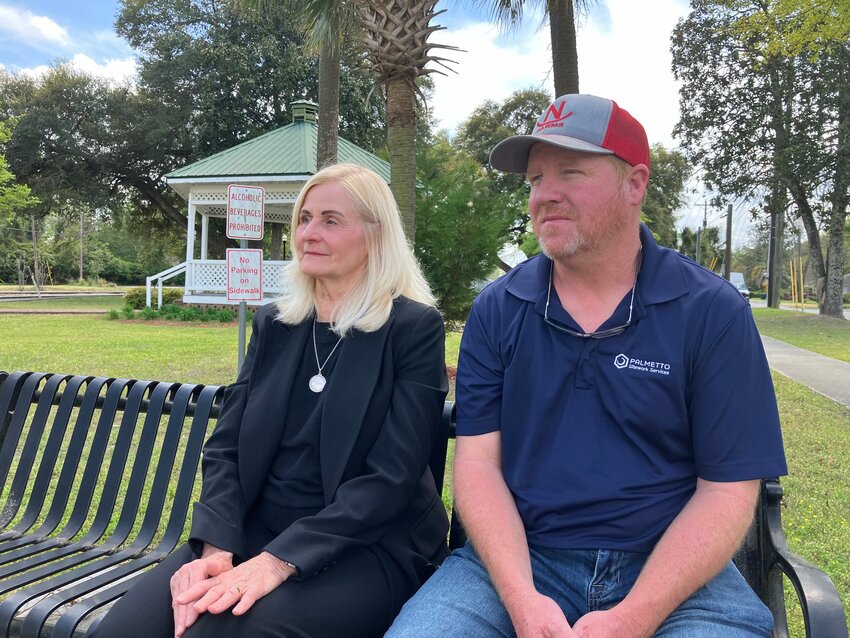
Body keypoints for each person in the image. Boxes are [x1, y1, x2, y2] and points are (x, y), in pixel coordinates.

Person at [385, 94, 787, 637]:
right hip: (517, 563)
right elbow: (478, 466)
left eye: (570, 172)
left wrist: (634, 616)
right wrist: (522, 600)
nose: (545, 196)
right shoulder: (499, 310)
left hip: (677, 576)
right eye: (534, 180)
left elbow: (727, 491)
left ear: (635, 185)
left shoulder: (711, 312)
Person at [93, 163, 449, 638]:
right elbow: (226, 448)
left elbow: (392, 478)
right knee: (124, 631)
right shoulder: (276, 324)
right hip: (251, 533)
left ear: (376, 235)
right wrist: (216, 550)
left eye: (331, 220)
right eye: (304, 218)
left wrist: (279, 563)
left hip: (366, 544)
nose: (309, 233)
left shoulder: (410, 329)